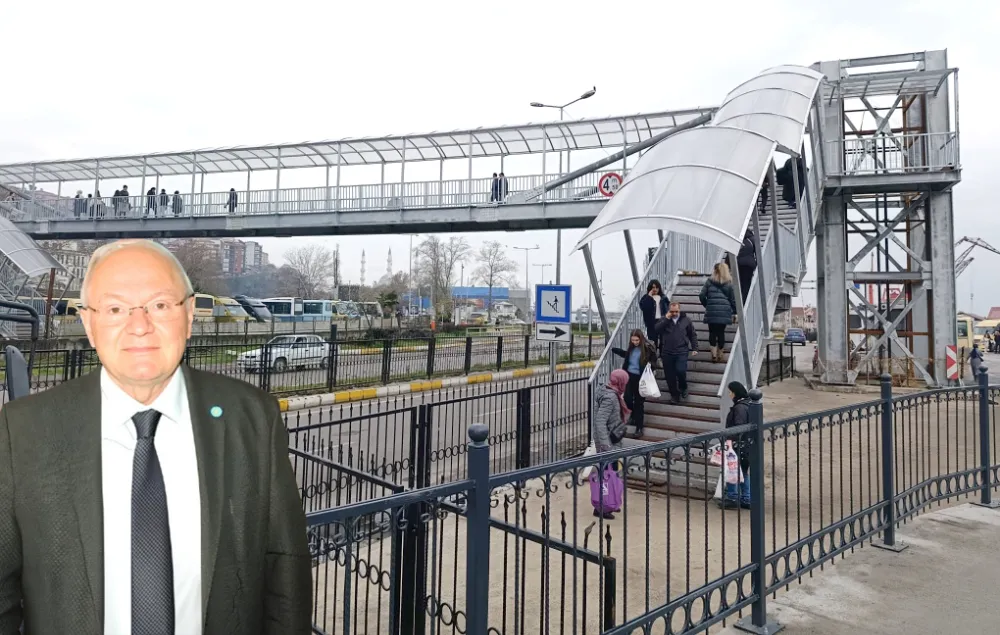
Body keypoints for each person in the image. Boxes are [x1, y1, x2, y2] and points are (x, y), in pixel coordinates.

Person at [0, 239, 311, 633]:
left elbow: (285, 571)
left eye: (160, 305)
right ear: (89, 324)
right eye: (115, 309)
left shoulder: (252, 417)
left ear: (188, 315)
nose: (140, 325)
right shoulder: (22, 430)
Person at [611, 329, 657, 438]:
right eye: (633, 340)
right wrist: (615, 350)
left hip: (641, 378)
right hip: (628, 377)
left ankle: (639, 428)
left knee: (639, 403)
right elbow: (626, 355)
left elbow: (654, 361)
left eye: (637, 340)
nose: (635, 342)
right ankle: (633, 415)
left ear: (641, 339)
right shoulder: (631, 348)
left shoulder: (647, 348)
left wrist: (649, 367)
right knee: (627, 399)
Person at [654, 301, 698, 405]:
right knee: (670, 376)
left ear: (679, 310)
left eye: (676, 311)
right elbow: (657, 330)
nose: (674, 313)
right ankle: (674, 395)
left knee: (680, 370)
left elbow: (692, 334)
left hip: (681, 351)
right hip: (667, 352)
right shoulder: (664, 319)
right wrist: (666, 319)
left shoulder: (686, 320)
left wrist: (695, 348)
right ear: (669, 310)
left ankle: (683, 387)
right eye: (672, 311)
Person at [720, 381, 752, 510]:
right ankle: (746, 498)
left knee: (733, 470)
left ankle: (732, 497)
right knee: (743, 471)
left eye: (730, 392)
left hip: (738, 445)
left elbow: (739, 427)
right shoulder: (748, 404)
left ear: (735, 393)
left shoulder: (739, 408)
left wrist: (730, 441)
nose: (729, 394)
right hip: (746, 445)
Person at [699, 262, 738, 363]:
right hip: (724, 312)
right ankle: (720, 353)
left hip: (711, 311)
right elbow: (733, 300)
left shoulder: (709, 281)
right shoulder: (729, 283)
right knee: (721, 332)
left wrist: (707, 305)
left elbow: (701, 295)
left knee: (712, 332)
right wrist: (734, 312)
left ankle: (714, 355)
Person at [593, 369, 629, 454]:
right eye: (625, 383)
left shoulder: (611, 393)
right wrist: (606, 445)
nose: (625, 385)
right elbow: (600, 421)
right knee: (611, 462)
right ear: (620, 382)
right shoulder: (610, 397)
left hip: (612, 437)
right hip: (609, 441)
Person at [639, 279, 670, 347]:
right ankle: (653, 353)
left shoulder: (663, 297)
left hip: (662, 321)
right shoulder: (645, 297)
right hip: (651, 323)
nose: (655, 289)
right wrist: (649, 297)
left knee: (663, 341)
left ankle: (662, 353)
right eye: (653, 287)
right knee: (652, 342)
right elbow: (643, 308)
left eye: (657, 287)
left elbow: (668, 308)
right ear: (650, 288)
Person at [736, 229, 757, 302]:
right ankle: (745, 302)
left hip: (738, 263)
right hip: (749, 265)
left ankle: (739, 301)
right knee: (747, 284)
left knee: (739, 283)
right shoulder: (752, 239)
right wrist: (756, 264)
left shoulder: (738, 238)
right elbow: (757, 253)